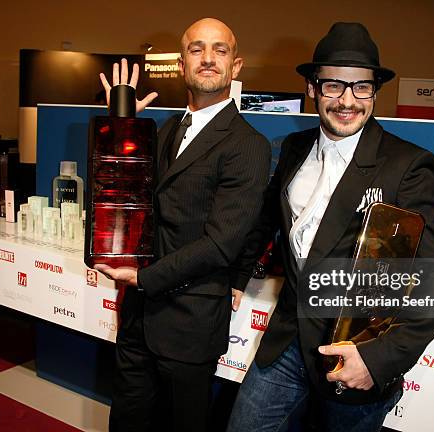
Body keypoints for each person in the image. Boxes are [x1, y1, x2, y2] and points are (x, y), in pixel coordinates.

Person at [227, 23, 434, 431]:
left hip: (355, 354)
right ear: (312, 89)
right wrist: (238, 274)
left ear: (375, 90)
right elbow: (268, 218)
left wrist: (379, 358)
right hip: (287, 343)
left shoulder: (408, 167)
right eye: (333, 85)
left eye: (361, 87)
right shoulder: (295, 149)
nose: (347, 101)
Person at [94, 18, 272, 432]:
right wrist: (123, 126)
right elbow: (124, 194)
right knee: (127, 420)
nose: (208, 58)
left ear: (236, 65)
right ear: (180, 64)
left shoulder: (248, 144)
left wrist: (142, 278)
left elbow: (221, 244)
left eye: (220, 50)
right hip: (140, 318)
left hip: (190, 321)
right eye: (196, 49)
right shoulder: (166, 130)